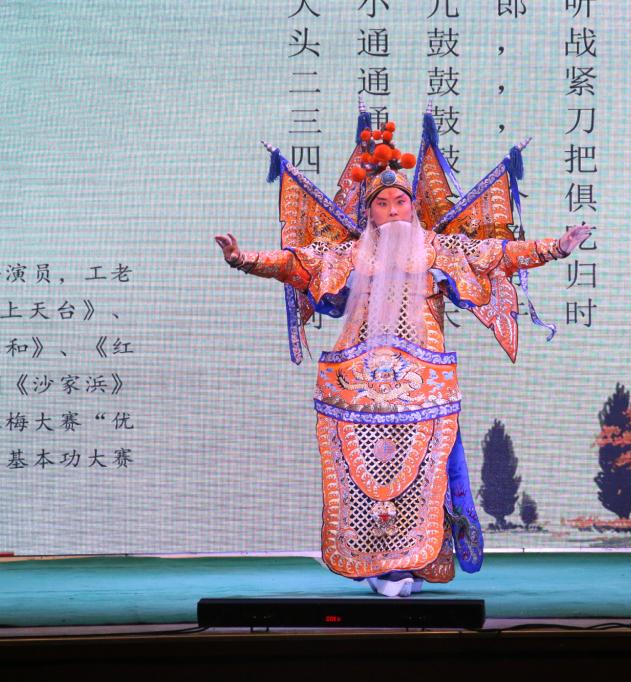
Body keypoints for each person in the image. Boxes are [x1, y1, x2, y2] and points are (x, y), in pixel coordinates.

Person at [215, 111, 590, 597]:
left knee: (424, 476)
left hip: (423, 383)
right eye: (382, 203)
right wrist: (242, 259)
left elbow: (499, 254)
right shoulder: (347, 255)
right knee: (365, 477)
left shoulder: (441, 249)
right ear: (369, 212)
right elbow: (293, 263)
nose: (393, 209)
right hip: (358, 386)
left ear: (413, 207)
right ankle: (376, 565)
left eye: (401, 201)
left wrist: (557, 248)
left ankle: (412, 562)